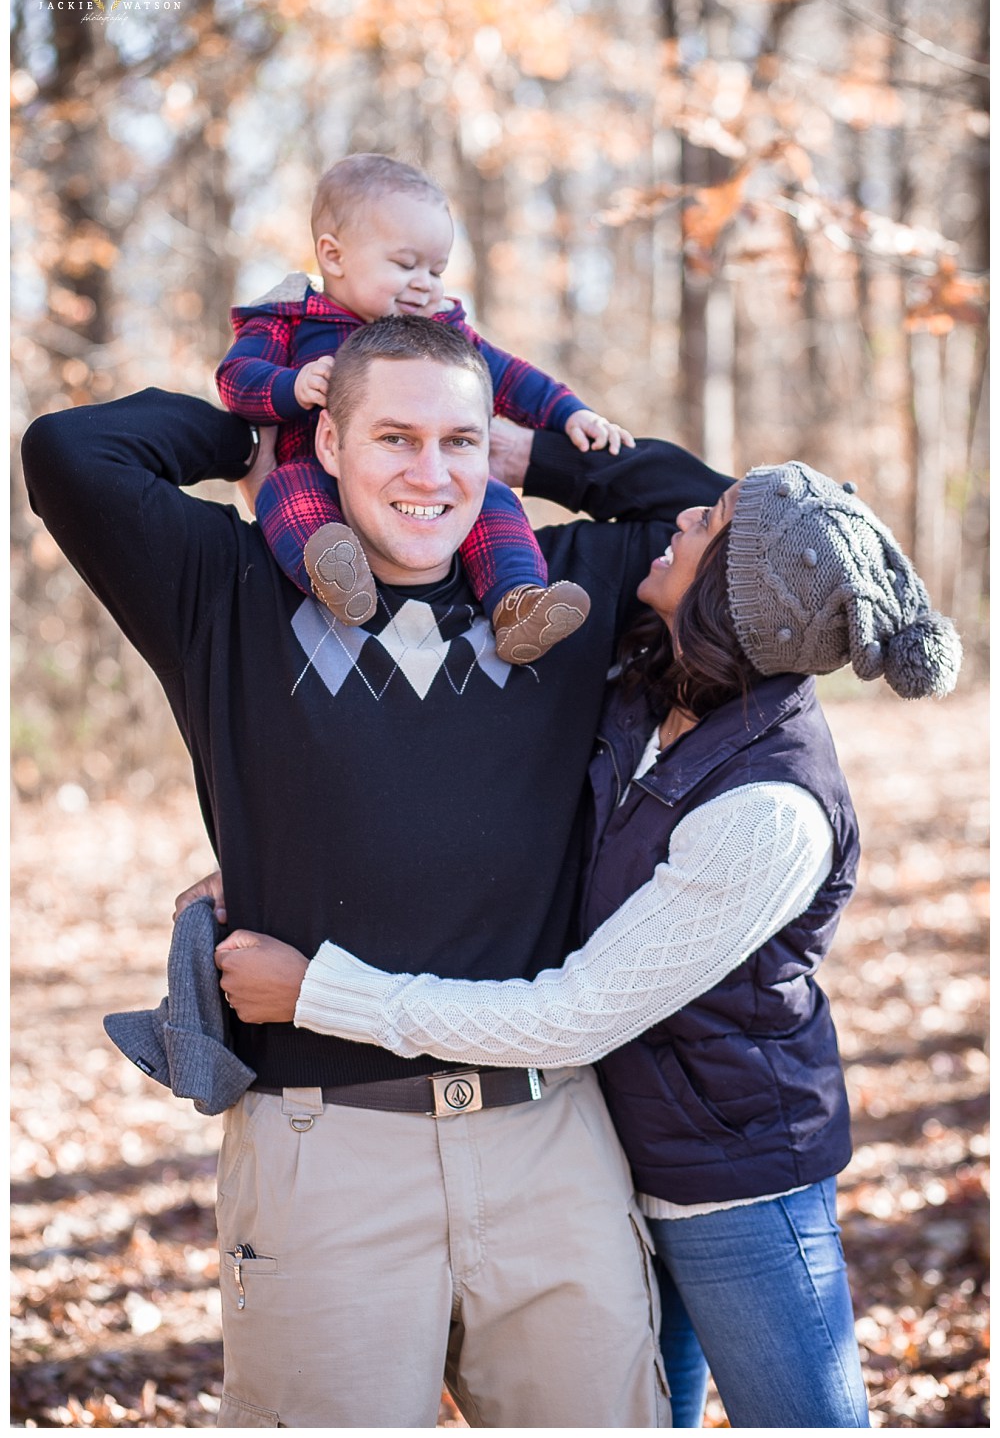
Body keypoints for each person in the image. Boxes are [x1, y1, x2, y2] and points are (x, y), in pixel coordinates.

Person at [22, 314, 732, 1428]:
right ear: (332, 445)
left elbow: (722, 512)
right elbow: (70, 452)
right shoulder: (229, 591)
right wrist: (254, 419)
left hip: (548, 1140)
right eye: (392, 436)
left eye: (456, 440)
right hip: (323, 1146)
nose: (429, 471)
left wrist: (533, 452)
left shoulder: (554, 592)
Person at [209, 459, 961, 1427]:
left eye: (712, 519)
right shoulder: (648, 685)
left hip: (734, 1192)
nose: (682, 512)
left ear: (739, 595)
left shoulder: (770, 809)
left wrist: (319, 988)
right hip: (610, 1163)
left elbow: (569, 1013)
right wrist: (270, 869)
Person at [216, 152, 634, 663]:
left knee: (494, 500)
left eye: (437, 269)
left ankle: (516, 603)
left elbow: (509, 377)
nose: (426, 283)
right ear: (333, 255)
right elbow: (235, 379)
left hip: (416, 502)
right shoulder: (288, 320)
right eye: (405, 264)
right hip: (315, 470)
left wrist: (569, 412)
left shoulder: (441, 328)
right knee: (284, 491)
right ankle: (337, 581)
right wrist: (290, 385)